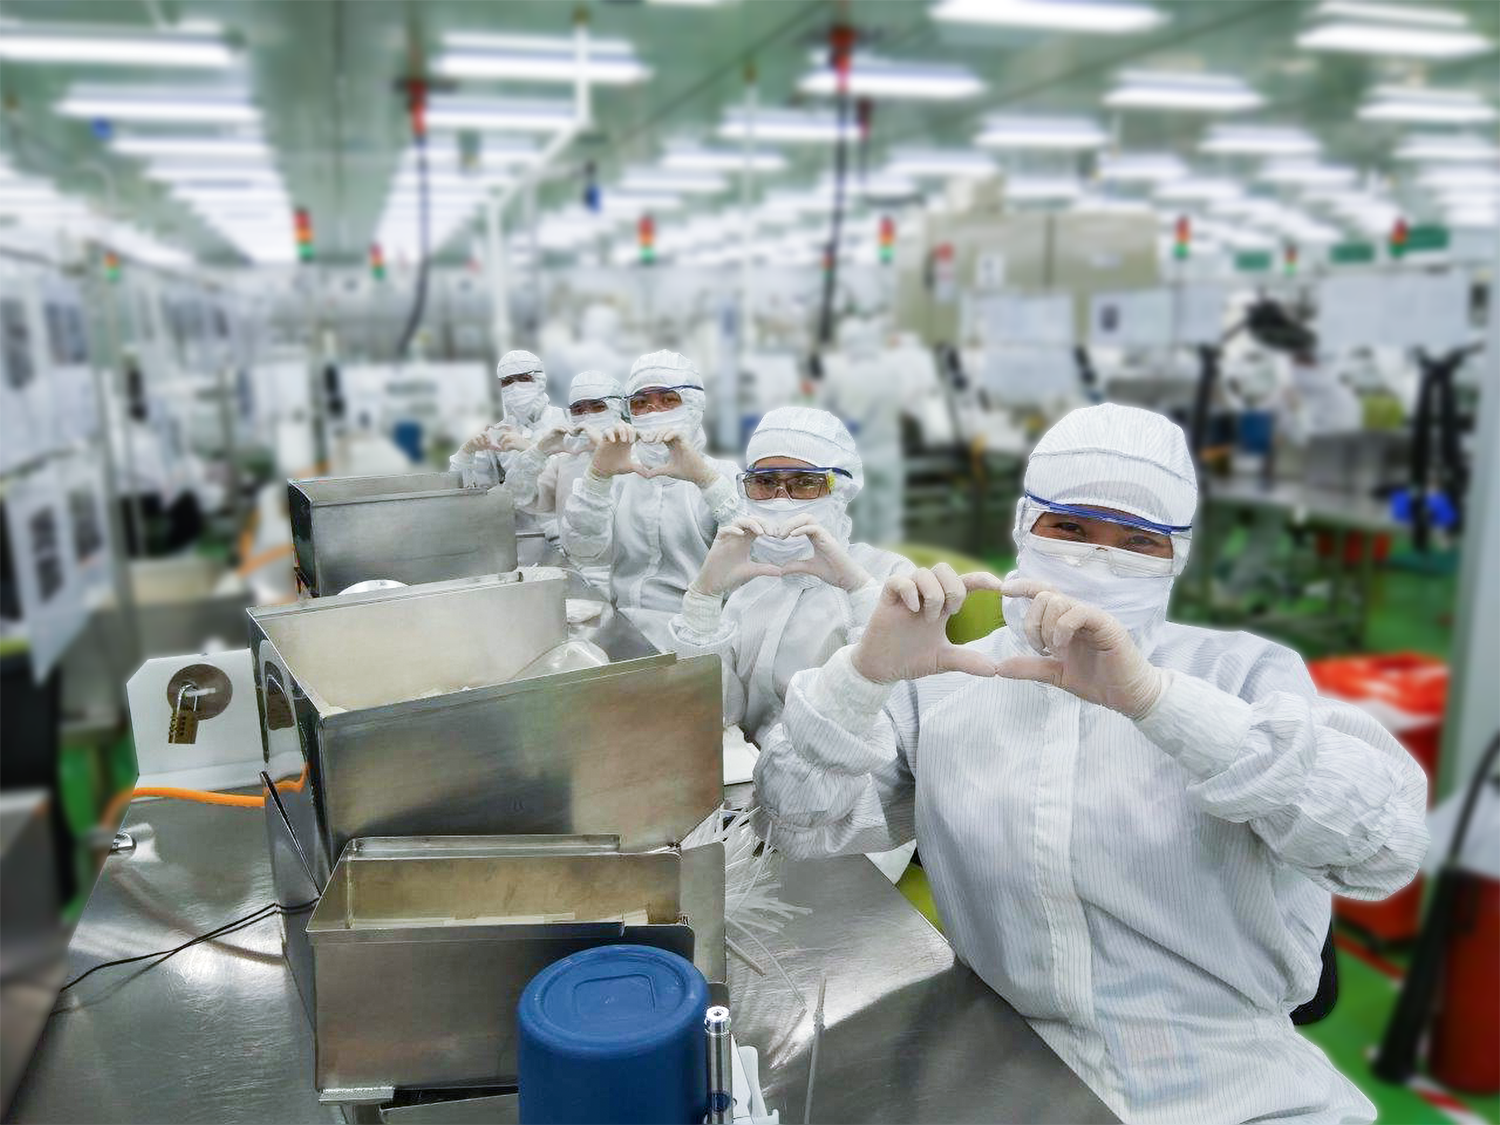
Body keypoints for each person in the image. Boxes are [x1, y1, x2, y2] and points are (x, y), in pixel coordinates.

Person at [753, 402, 1428, 1125]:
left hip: (1235, 1088)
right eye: (1070, 527)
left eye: (1137, 539)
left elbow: (1382, 847)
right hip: (1006, 1066)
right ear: (1024, 526)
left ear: (1178, 555)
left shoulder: (1238, 675)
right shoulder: (948, 683)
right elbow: (797, 826)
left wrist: (1159, 704)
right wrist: (863, 675)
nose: (1097, 558)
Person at [669, 406, 913, 748]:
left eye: (804, 484)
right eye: (765, 483)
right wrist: (703, 601)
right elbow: (716, 713)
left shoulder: (888, 577)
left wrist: (860, 594)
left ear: (840, 489)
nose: (780, 499)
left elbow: (894, 722)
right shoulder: (751, 581)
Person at [559, 350, 740, 649]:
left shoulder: (722, 475)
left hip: (698, 637)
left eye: (668, 400)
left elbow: (748, 564)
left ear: (694, 406)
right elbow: (584, 552)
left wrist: (705, 481)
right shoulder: (621, 474)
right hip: (622, 626)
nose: (654, 411)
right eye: (641, 404)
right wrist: (597, 477)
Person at [502, 370, 627, 582]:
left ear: (617, 408)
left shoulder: (638, 452)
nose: (587, 416)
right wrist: (536, 452)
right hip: (580, 571)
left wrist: (603, 451)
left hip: (629, 575)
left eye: (597, 406)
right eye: (578, 409)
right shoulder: (567, 459)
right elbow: (521, 498)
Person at [450, 350, 567, 492]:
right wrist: (466, 452)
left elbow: (576, 480)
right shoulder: (498, 433)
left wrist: (531, 449)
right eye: (507, 382)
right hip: (515, 513)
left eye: (523, 378)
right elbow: (470, 487)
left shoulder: (567, 422)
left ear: (540, 380)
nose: (515, 387)